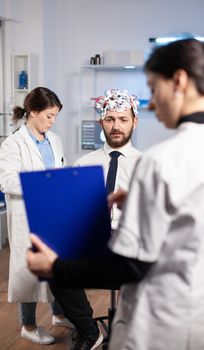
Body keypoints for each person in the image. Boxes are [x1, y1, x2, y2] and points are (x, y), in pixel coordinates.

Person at [27, 38, 204, 350]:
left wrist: (55, 267)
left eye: (153, 89)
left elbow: (132, 265)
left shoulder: (160, 160)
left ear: (177, 80)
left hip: (167, 326)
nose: (152, 103)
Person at [48, 88, 141, 350]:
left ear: (134, 121)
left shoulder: (148, 165)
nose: (116, 126)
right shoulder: (84, 163)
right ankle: (89, 331)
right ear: (101, 122)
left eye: (123, 119)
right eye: (110, 119)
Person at [0, 87, 73, 345]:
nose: (53, 122)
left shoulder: (54, 140)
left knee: (54, 263)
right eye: (49, 116)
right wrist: (44, 185)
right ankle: (28, 325)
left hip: (52, 211)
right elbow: (7, 181)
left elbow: (59, 170)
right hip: (27, 214)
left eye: (55, 117)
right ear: (32, 112)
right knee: (29, 268)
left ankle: (58, 313)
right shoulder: (13, 144)